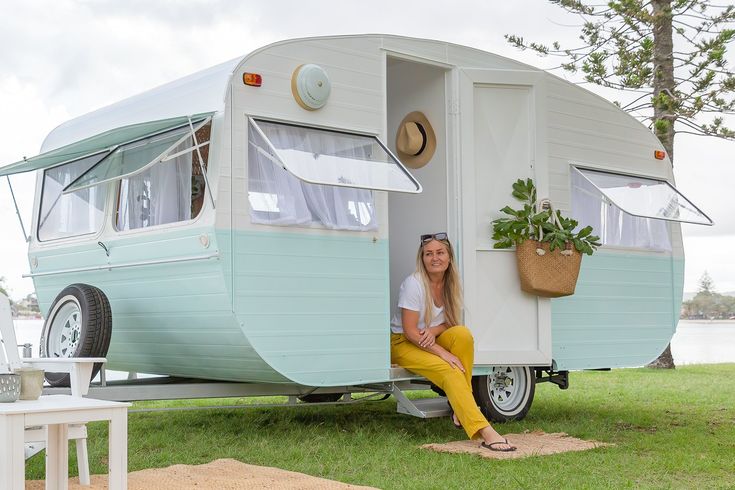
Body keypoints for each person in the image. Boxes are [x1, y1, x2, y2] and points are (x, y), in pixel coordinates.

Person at [390, 232, 516, 451]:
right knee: (450, 370)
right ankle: (484, 430)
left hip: (429, 338)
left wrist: (432, 330)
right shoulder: (413, 284)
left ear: (449, 257)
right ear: (422, 258)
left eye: (440, 252)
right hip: (402, 343)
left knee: (463, 335)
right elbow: (410, 332)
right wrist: (442, 353)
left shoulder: (451, 282)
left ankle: (460, 408)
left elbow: (450, 323)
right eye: (428, 254)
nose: (434, 258)